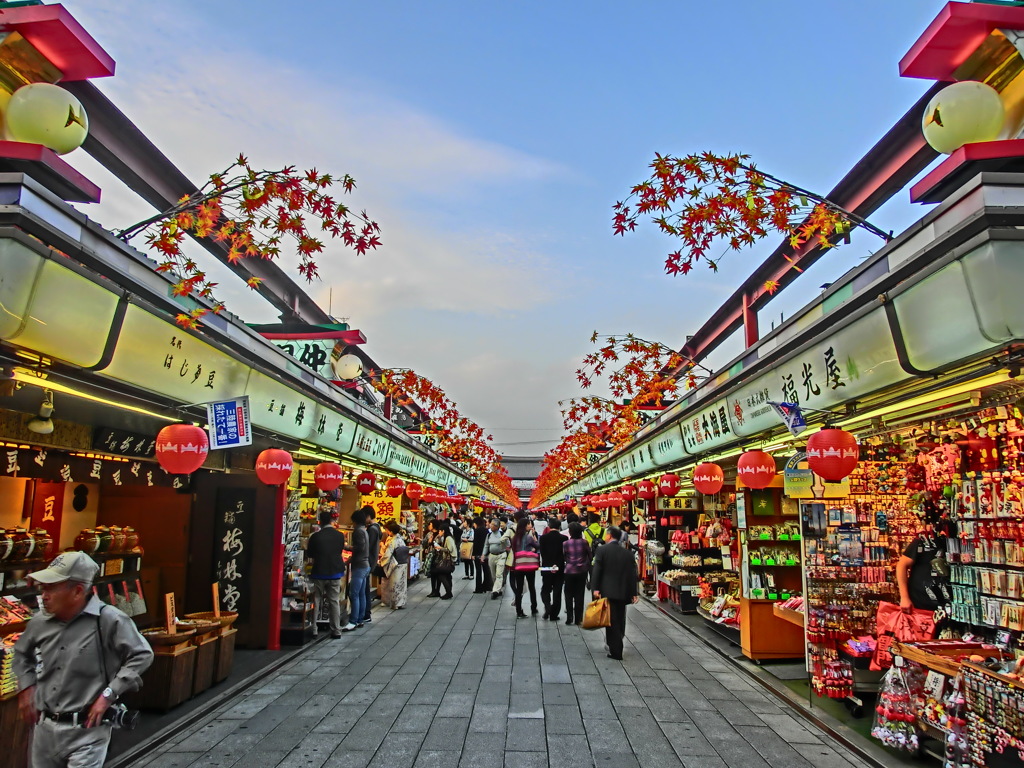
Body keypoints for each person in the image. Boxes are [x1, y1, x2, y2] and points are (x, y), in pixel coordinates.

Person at [14, 552, 154, 768]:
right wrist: (26, 687)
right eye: (43, 588)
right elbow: (22, 654)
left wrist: (108, 694)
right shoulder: (39, 622)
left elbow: (142, 654)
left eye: (51, 587)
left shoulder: (109, 619)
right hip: (44, 730)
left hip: (88, 731)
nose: (44, 595)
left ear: (78, 591)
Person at [591, 526, 639, 660]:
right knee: (620, 617)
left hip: (608, 590)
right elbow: (632, 575)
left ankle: (616, 650)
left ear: (609, 536)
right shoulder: (627, 553)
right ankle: (616, 642)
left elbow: (597, 571)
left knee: (611, 621)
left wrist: (595, 589)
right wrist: (634, 592)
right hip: (623, 591)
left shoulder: (602, 550)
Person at [306, 509, 348, 638]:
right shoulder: (339, 535)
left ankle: (314, 628)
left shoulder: (315, 536)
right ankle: (336, 630)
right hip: (335, 572)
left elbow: (310, 554)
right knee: (333, 600)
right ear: (331, 521)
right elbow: (340, 551)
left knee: (316, 599)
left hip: (319, 571)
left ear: (320, 522)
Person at [344, 507, 371, 631]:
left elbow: (359, 548)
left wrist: (347, 547)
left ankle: (353, 620)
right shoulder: (364, 530)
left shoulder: (358, 532)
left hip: (359, 566)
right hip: (365, 565)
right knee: (361, 594)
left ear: (355, 521)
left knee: (353, 594)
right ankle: (360, 619)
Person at [562, 522, 591, 626]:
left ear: (570, 532)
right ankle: (578, 618)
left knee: (568, 594)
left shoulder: (566, 543)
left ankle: (569, 617)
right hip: (582, 571)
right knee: (580, 594)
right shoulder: (585, 542)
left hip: (569, 571)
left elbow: (564, 556)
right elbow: (589, 555)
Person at [509, 519, 539, 618]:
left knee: (519, 588)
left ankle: (519, 610)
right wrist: (533, 547)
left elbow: (514, 550)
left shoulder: (514, 538)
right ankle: (533, 607)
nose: (530, 525)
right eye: (529, 524)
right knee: (531, 587)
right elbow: (537, 546)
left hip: (518, 564)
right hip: (529, 565)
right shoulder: (529, 537)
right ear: (525, 526)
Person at [539, 515, 566, 621]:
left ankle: (547, 607)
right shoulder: (564, 538)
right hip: (560, 567)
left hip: (546, 566)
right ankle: (554, 614)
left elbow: (542, 553)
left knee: (545, 589)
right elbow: (564, 554)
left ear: (549, 526)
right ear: (559, 527)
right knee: (557, 591)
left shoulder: (543, 538)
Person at [378, 521, 408, 610]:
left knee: (394, 584)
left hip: (395, 564)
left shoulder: (393, 541)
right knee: (401, 584)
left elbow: (387, 555)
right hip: (402, 563)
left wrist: (381, 562)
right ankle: (401, 602)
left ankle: (395, 603)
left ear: (390, 531)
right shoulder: (401, 539)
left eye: (387, 530)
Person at [363, 508, 383, 624]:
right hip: (372, 561)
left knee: (364, 588)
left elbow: (367, 547)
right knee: (365, 587)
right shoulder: (377, 528)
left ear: (369, 516)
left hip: (367, 561)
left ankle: (366, 613)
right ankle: (366, 612)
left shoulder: (372, 530)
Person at [430, 519, 458, 600]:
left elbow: (449, 549)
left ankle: (449, 592)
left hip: (449, 560)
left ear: (443, 531)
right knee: (448, 576)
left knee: (441, 575)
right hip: (449, 560)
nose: (439, 533)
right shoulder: (447, 538)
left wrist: (440, 548)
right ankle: (449, 592)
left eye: (440, 531)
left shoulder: (448, 538)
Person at [485, 517, 511, 600]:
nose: (490, 525)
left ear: (497, 527)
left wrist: (505, 545)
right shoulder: (488, 535)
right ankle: (498, 589)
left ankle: (495, 591)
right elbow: (486, 545)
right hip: (492, 556)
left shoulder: (502, 534)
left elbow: (508, 544)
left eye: (493, 525)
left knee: (499, 574)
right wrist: (483, 554)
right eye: (491, 524)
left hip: (501, 555)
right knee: (493, 575)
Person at [472, 517, 491, 593]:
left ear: (476, 523)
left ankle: (478, 588)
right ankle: (486, 586)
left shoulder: (476, 531)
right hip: (485, 553)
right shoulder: (487, 531)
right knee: (486, 570)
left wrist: (473, 554)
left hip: (478, 553)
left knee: (478, 571)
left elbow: (475, 543)